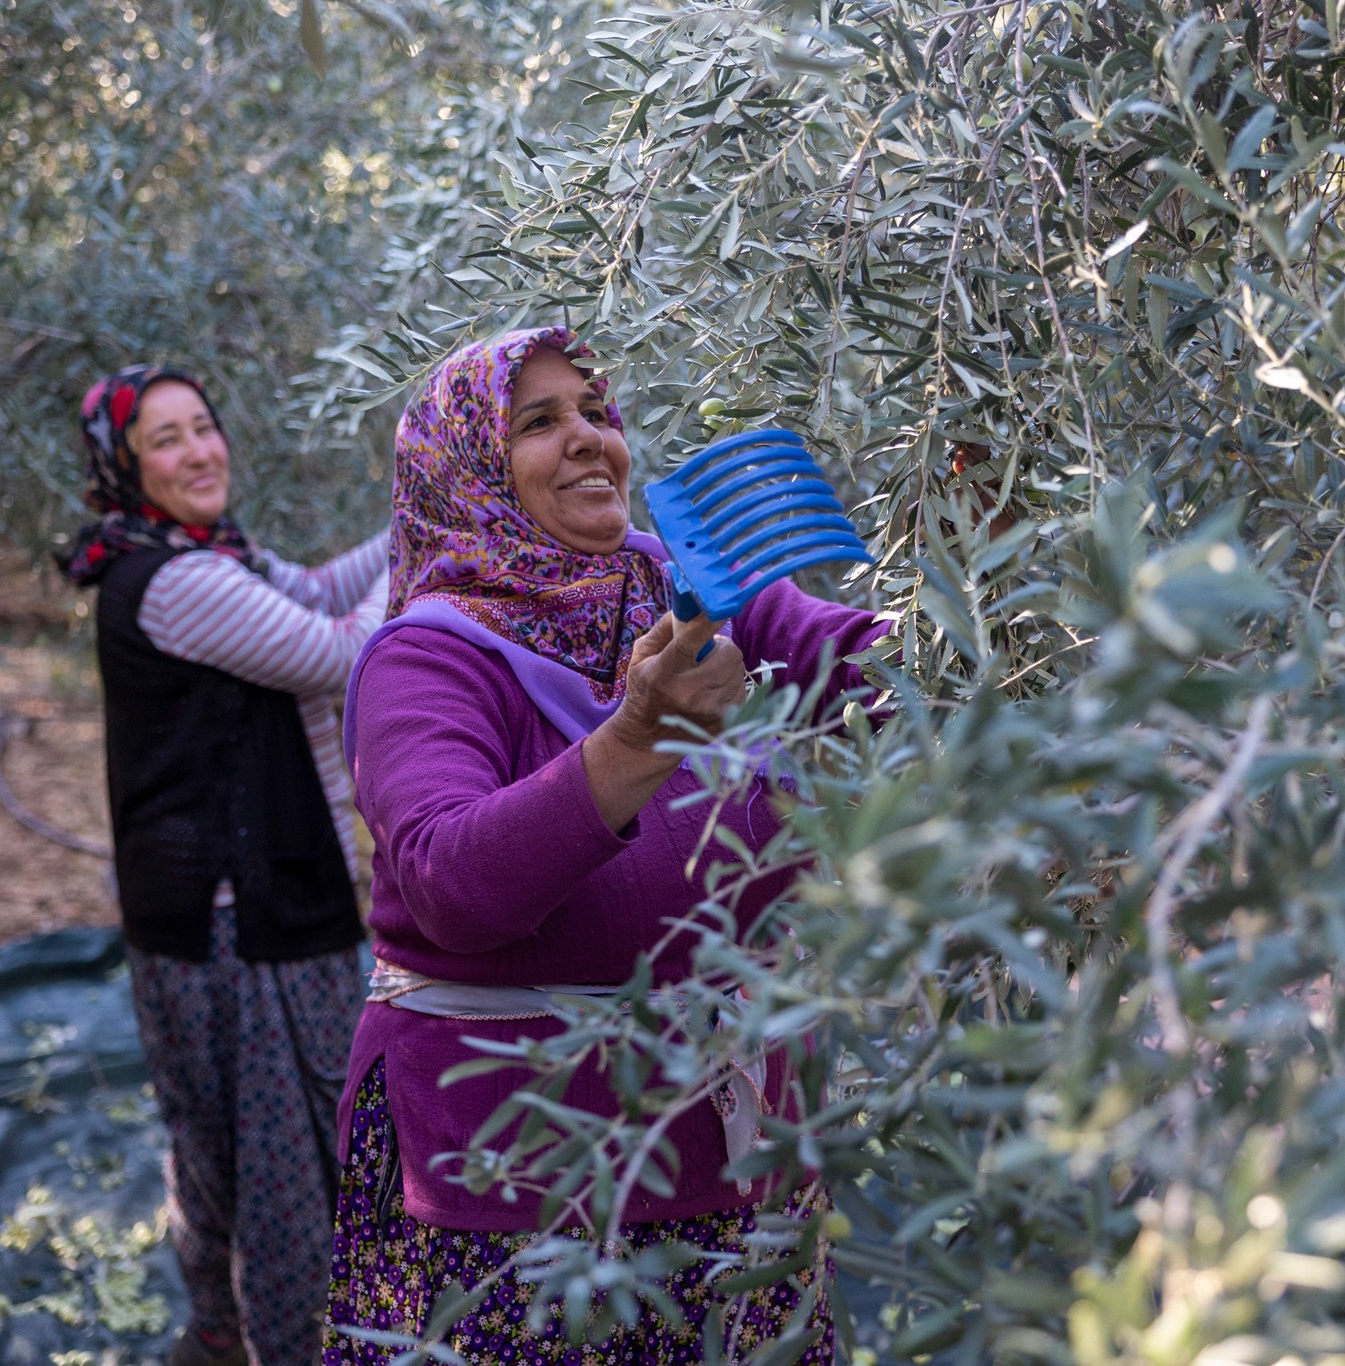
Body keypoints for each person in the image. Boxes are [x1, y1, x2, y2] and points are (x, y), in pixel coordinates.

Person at [322, 328, 886, 1364]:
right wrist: (639, 737)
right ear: (469, 470)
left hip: (732, 1164)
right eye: (538, 422)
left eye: (596, 411)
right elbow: (454, 882)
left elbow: (862, 668)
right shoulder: (424, 657)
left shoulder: (684, 586)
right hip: (513, 1182)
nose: (586, 439)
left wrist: (985, 605)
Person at [61, 365, 388, 1366]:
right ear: (125, 463)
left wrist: (427, 502)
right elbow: (342, 649)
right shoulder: (175, 580)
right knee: (283, 1165)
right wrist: (447, 530)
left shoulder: (205, 553)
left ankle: (219, 1337)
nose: (200, 451)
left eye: (204, 427)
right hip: (240, 920)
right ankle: (293, 1345)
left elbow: (325, 589)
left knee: (224, 1153)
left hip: (220, 911)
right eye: (167, 439)